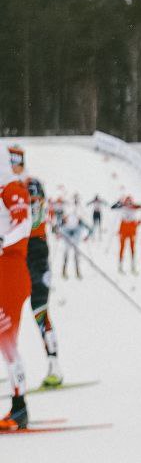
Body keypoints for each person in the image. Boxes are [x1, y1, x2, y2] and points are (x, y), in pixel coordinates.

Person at [8, 146, 63, 387]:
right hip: (13, 253)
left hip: (35, 250)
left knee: (39, 308)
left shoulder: (31, 185)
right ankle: (12, 364)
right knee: (7, 312)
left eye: (14, 163)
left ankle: (54, 366)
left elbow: (36, 217)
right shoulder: (8, 186)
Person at [1, 151, 33, 430]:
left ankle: (20, 407)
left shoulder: (11, 188)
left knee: (7, 340)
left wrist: (3, 239)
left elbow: (23, 224)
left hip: (10, 274)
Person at [111, 195, 141, 273]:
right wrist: (119, 203)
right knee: (122, 248)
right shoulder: (123, 207)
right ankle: (120, 266)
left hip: (132, 231)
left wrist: (140, 207)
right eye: (127, 202)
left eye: (130, 202)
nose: (129, 204)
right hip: (123, 230)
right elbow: (113, 207)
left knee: (132, 248)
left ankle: (133, 266)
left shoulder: (134, 207)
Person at [60, 210, 89, 279]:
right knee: (66, 255)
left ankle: (77, 272)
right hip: (67, 235)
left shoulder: (77, 211)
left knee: (76, 256)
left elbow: (86, 227)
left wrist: (87, 236)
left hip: (76, 236)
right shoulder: (67, 211)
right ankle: (64, 271)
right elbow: (59, 225)